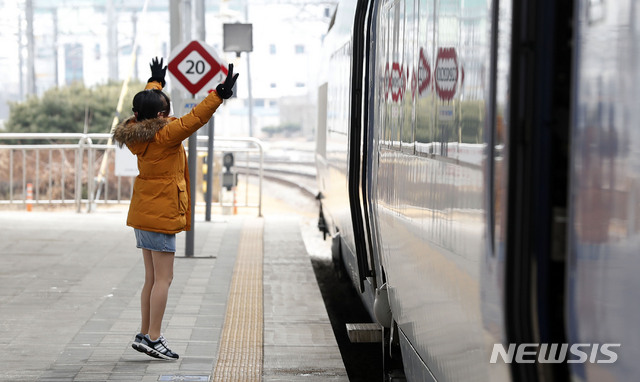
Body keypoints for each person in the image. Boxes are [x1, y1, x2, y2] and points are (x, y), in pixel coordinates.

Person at [113, 57, 238, 360]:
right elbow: (194, 119)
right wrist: (218, 95)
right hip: (162, 214)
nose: (170, 116)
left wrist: (155, 83)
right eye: (166, 112)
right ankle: (155, 338)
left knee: (151, 278)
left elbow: (145, 105)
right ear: (161, 115)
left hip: (143, 212)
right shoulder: (166, 135)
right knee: (164, 279)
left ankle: (145, 333)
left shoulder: (135, 130)